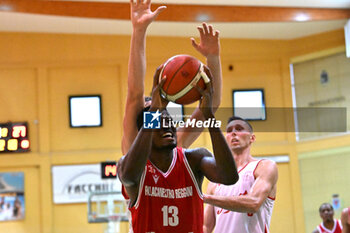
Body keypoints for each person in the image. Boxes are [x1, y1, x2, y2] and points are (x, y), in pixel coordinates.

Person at [117, 65, 239, 232]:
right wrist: (154, 110)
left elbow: (229, 176)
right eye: (158, 122)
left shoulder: (194, 159)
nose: (167, 126)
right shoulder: (133, 167)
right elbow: (129, 177)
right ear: (145, 131)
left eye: (169, 120)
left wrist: (208, 114)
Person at [122, 0, 223, 155]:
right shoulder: (134, 150)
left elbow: (211, 103)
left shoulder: (177, 143)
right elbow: (135, 92)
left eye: (163, 114)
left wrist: (213, 58)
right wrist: (139, 30)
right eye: (152, 110)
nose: (156, 109)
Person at [203, 116, 278, 233]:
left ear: (252, 138)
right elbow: (206, 227)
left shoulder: (264, 166)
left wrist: (206, 198)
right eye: (229, 131)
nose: (233, 133)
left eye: (239, 129)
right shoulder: (216, 180)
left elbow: (254, 202)